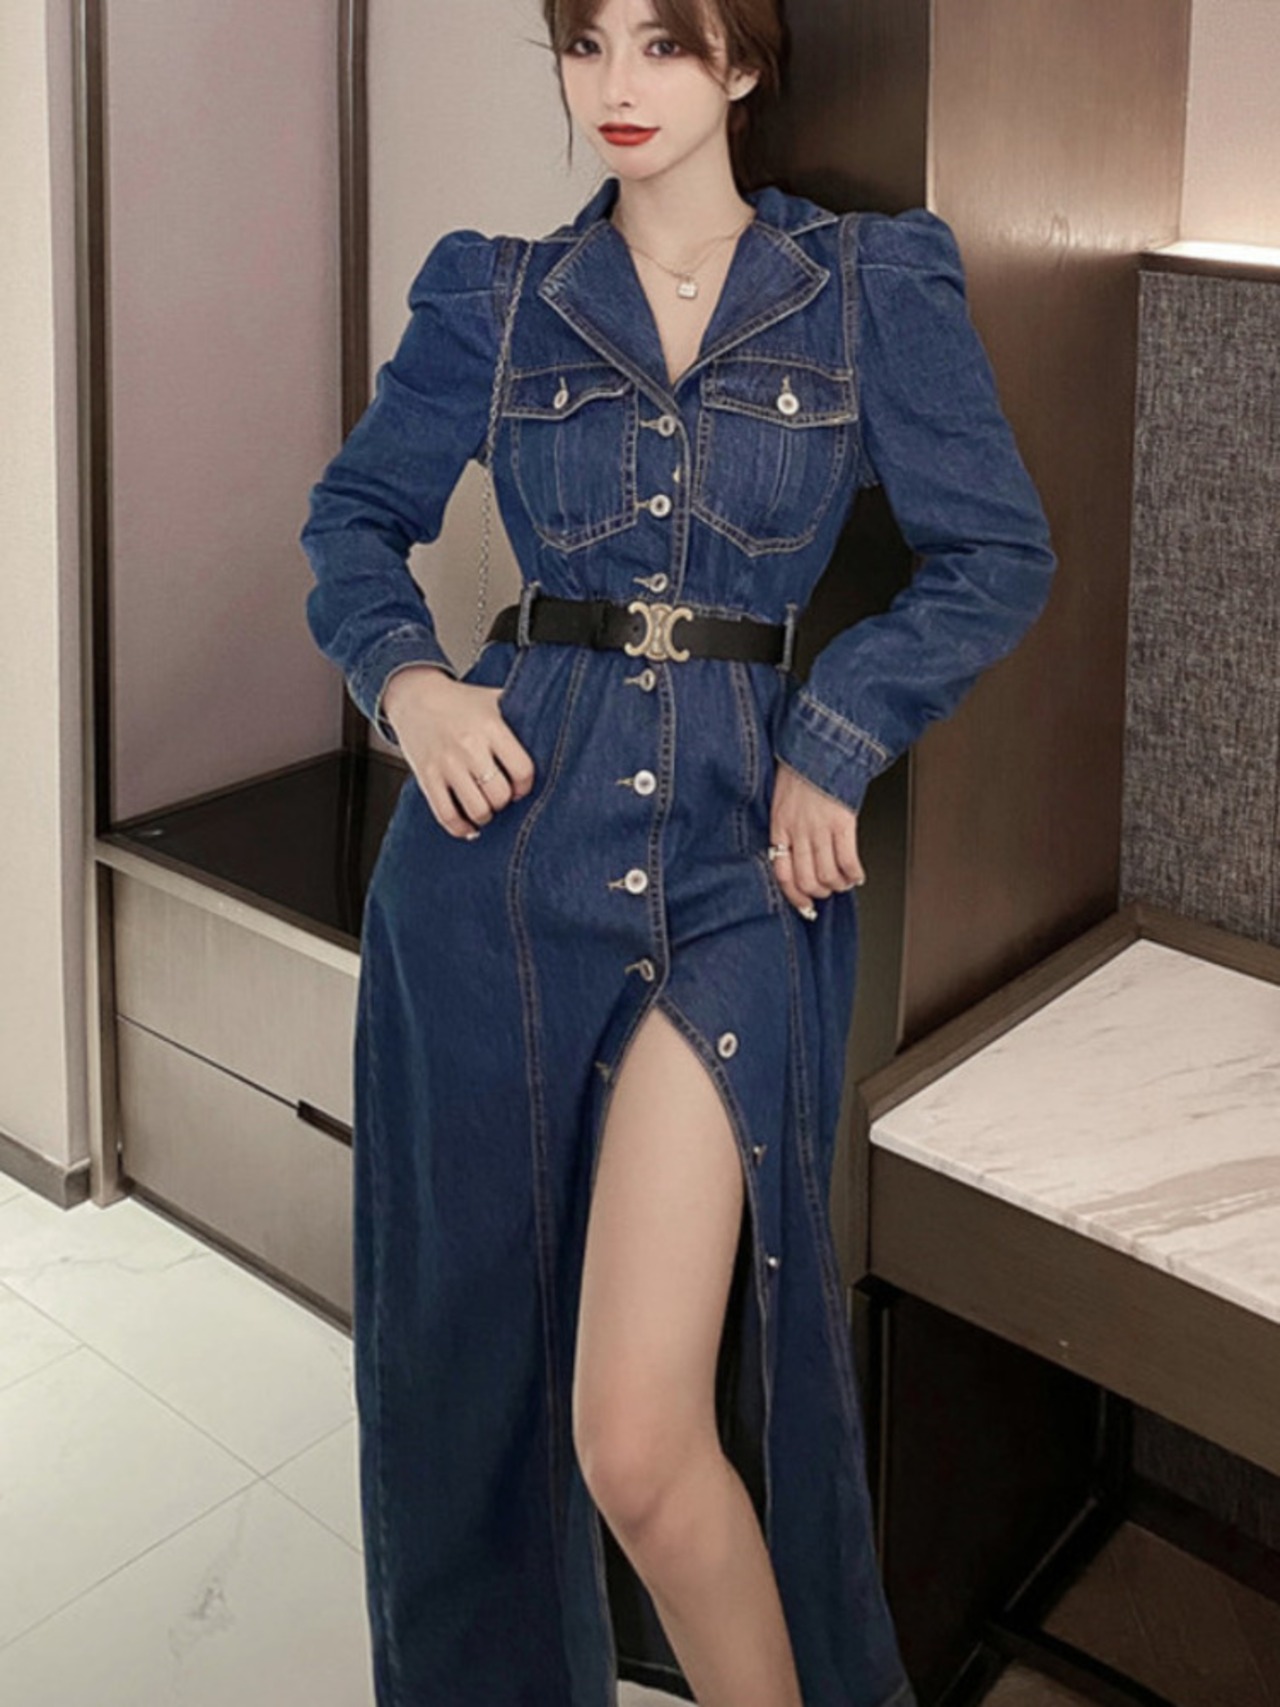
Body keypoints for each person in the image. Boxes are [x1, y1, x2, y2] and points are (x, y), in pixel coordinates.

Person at [300, 0, 1056, 1702]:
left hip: (741, 867)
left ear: (744, 60)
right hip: (500, 857)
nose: (618, 86)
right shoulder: (497, 294)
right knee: (466, 1375)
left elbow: (998, 554)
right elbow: (352, 521)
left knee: (639, 1443)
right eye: (586, 44)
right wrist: (409, 684)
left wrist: (839, 739)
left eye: (664, 41)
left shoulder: (865, 286)